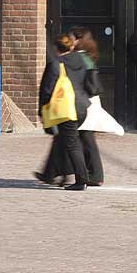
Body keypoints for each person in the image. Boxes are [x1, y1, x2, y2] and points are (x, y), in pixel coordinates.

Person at [36, 34, 92, 191]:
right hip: (81, 106)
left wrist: (42, 111)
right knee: (62, 140)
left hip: (66, 109)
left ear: (56, 48)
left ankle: (81, 179)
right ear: (71, 47)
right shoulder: (80, 60)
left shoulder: (56, 64)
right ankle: (51, 174)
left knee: (71, 144)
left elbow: (46, 90)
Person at [69, 27, 105, 187]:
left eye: (71, 38)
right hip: (90, 100)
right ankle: (94, 174)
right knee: (87, 137)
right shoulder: (87, 55)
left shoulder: (79, 58)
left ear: (78, 40)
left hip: (85, 102)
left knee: (86, 138)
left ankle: (95, 175)